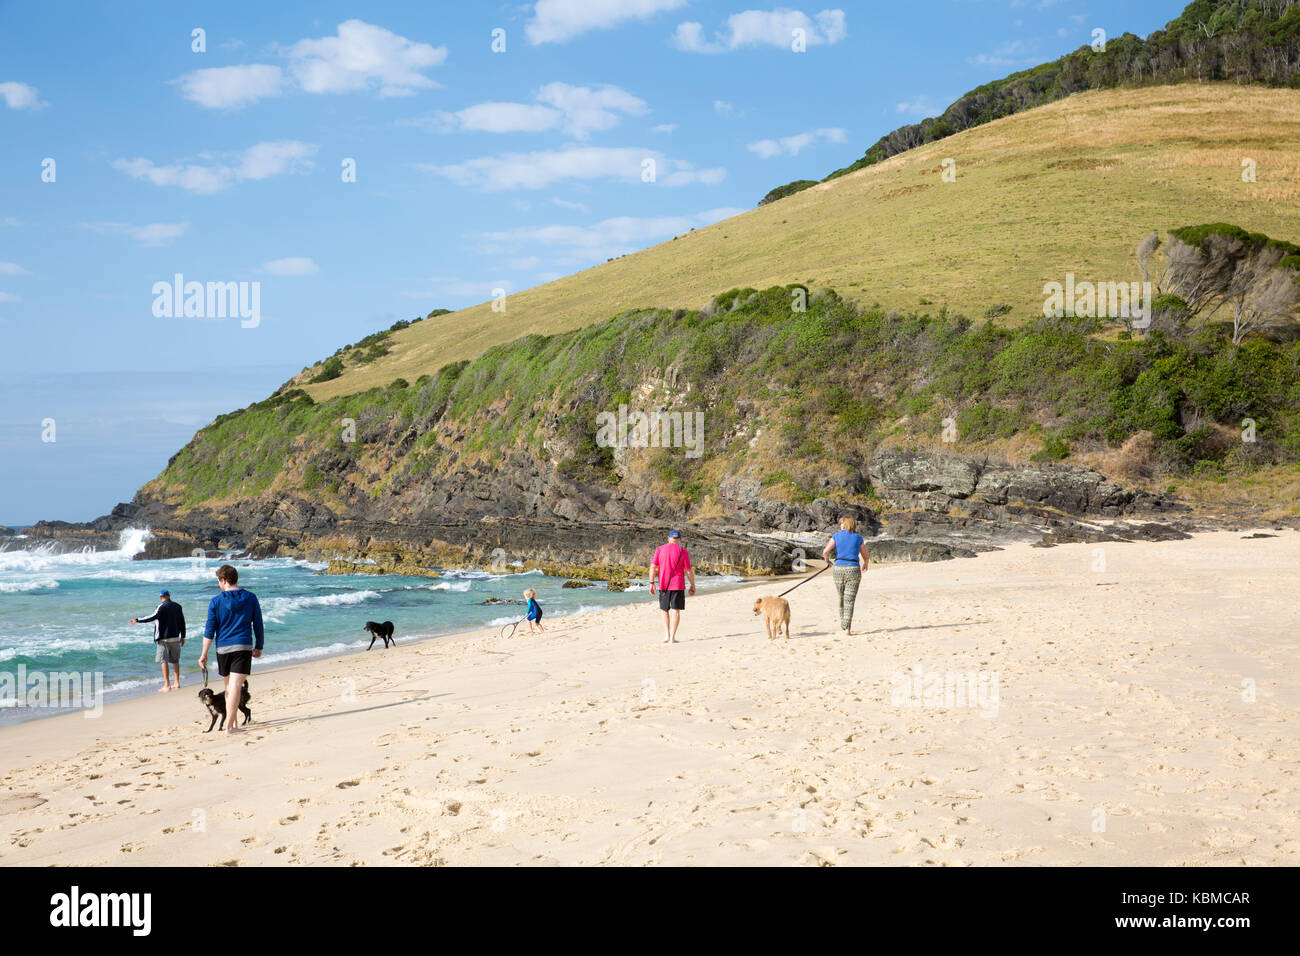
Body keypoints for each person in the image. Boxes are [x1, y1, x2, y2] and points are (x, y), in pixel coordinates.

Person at [197, 564, 264, 734]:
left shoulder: (216, 601)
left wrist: (203, 654)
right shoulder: (250, 597)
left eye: (219, 581)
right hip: (242, 646)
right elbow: (258, 624)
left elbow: (209, 630)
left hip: (223, 649)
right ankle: (230, 727)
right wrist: (259, 646)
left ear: (224, 580)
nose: (219, 584)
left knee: (229, 687)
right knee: (234, 687)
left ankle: (233, 725)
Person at [130, 589, 186, 692]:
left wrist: (137, 620)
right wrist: (183, 636)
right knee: (175, 660)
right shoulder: (178, 606)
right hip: (175, 637)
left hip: (163, 639)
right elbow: (182, 622)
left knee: (163, 660)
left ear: (161, 597)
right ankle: (177, 683)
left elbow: (152, 617)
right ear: (169, 596)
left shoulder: (161, 607)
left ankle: (167, 685)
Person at [822, 516, 870, 635]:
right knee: (850, 600)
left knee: (841, 598)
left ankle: (843, 624)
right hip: (853, 569)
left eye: (841, 523)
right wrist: (865, 564)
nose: (840, 525)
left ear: (845, 524)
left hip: (838, 569)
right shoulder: (858, 537)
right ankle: (847, 629)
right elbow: (865, 555)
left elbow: (825, 552)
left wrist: (827, 561)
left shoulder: (836, 536)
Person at [649, 529, 695, 644]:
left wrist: (651, 583)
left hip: (664, 585)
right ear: (680, 539)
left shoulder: (660, 549)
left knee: (664, 610)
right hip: (678, 585)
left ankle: (666, 635)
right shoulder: (683, 551)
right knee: (676, 611)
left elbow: (653, 567)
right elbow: (688, 571)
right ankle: (673, 638)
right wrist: (692, 585)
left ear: (668, 538)